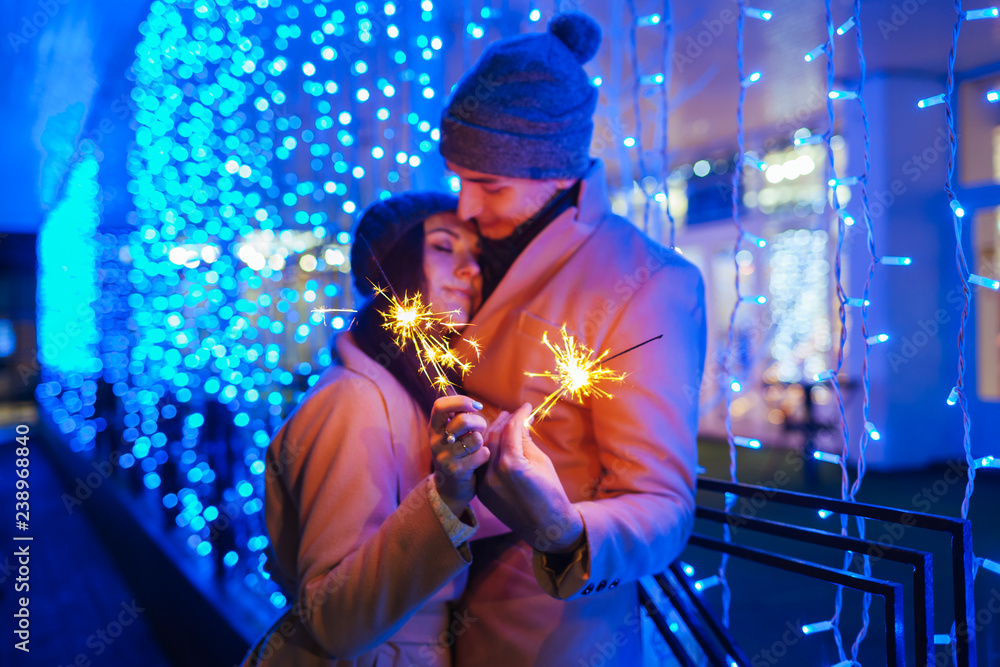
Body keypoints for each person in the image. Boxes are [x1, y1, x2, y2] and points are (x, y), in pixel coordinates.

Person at [439, 10, 708, 666]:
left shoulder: (648, 282)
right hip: (430, 609)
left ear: (558, 172)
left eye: (489, 183)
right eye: (460, 178)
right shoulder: (463, 251)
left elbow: (663, 503)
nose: (466, 205)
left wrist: (563, 530)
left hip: (549, 635)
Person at [241, 192, 498, 667]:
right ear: (392, 265)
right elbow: (331, 618)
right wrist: (446, 500)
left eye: (476, 256)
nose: (470, 270)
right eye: (444, 247)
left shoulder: (414, 394)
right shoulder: (353, 403)